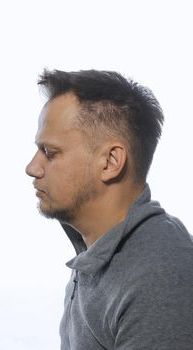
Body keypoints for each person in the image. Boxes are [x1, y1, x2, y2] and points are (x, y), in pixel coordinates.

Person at [25, 69, 193, 349]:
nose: (32, 168)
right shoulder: (98, 250)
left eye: (50, 153)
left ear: (111, 162)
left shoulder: (158, 277)